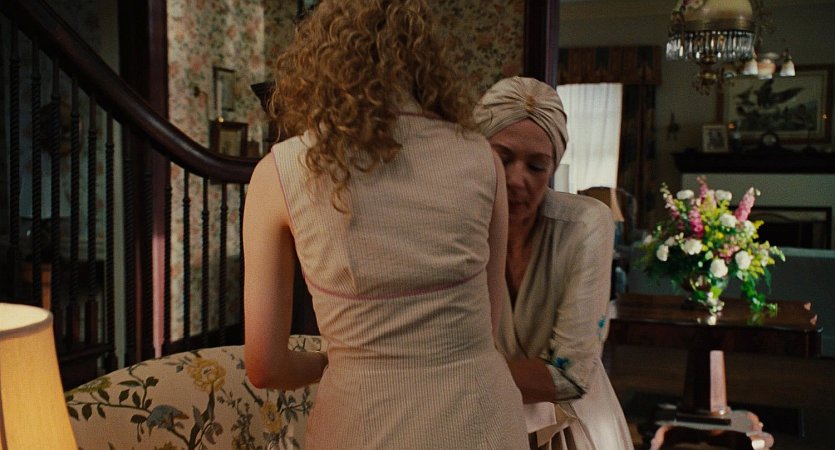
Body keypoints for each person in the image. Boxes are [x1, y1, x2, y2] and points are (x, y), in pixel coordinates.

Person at [242, 1, 528, 448]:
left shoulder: (279, 172)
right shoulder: (482, 157)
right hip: (485, 422)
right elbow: (486, 328)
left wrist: (339, 361)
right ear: (422, 57)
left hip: (364, 425)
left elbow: (266, 367)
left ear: (319, 60)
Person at [474, 76, 633, 450]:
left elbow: (569, 377)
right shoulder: (457, 227)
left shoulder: (585, 225)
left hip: (569, 426)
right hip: (481, 421)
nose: (517, 180)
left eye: (536, 166)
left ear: (553, 167)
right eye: (503, 158)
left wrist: (452, 380)